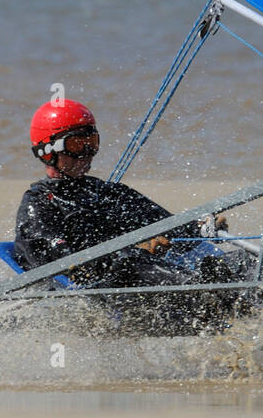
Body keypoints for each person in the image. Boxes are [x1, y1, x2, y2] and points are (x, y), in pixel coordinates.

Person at [14, 99, 241, 333]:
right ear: (47, 150)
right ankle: (217, 304)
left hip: (154, 275)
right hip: (109, 291)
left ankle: (250, 301)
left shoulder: (109, 192)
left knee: (241, 262)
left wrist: (198, 228)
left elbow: (166, 227)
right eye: (76, 145)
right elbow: (64, 263)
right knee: (131, 265)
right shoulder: (39, 203)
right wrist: (135, 251)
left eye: (91, 143)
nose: (87, 154)